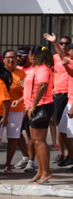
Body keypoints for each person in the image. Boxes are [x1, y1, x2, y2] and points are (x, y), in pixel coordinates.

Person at [25, 45, 55, 184]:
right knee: (35, 140)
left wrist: (33, 105)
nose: (28, 56)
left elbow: (42, 86)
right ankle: (40, 171)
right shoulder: (34, 69)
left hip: (41, 106)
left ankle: (46, 172)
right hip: (32, 107)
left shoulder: (43, 68)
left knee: (40, 140)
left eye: (30, 54)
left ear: (34, 55)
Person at [43, 33, 72, 165]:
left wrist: (54, 43)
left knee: (69, 130)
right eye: (62, 43)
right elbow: (50, 71)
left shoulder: (70, 60)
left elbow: (63, 57)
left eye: (67, 44)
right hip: (62, 95)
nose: (64, 46)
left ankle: (69, 155)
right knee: (61, 126)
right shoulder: (59, 58)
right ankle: (65, 154)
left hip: (70, 97)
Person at [0, 50, 27, 174]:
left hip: (16, 111)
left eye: (13, 57)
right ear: (3, 59)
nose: (11, 60)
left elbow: (26, 91)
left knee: (13, 137)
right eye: (8, 58)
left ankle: (8, 164)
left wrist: (20, 102)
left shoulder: (21, 74)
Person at [16, 45, 35, 171]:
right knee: (17, 133)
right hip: (16, 107)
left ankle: (31, 161)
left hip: (28, 106)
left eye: (20, 56)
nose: (18, 58)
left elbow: (32, 91)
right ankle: (25, 156)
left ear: (28, 56)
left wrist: (24, 104)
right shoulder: (18, 69)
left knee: (29, 134)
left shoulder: (33, 70)